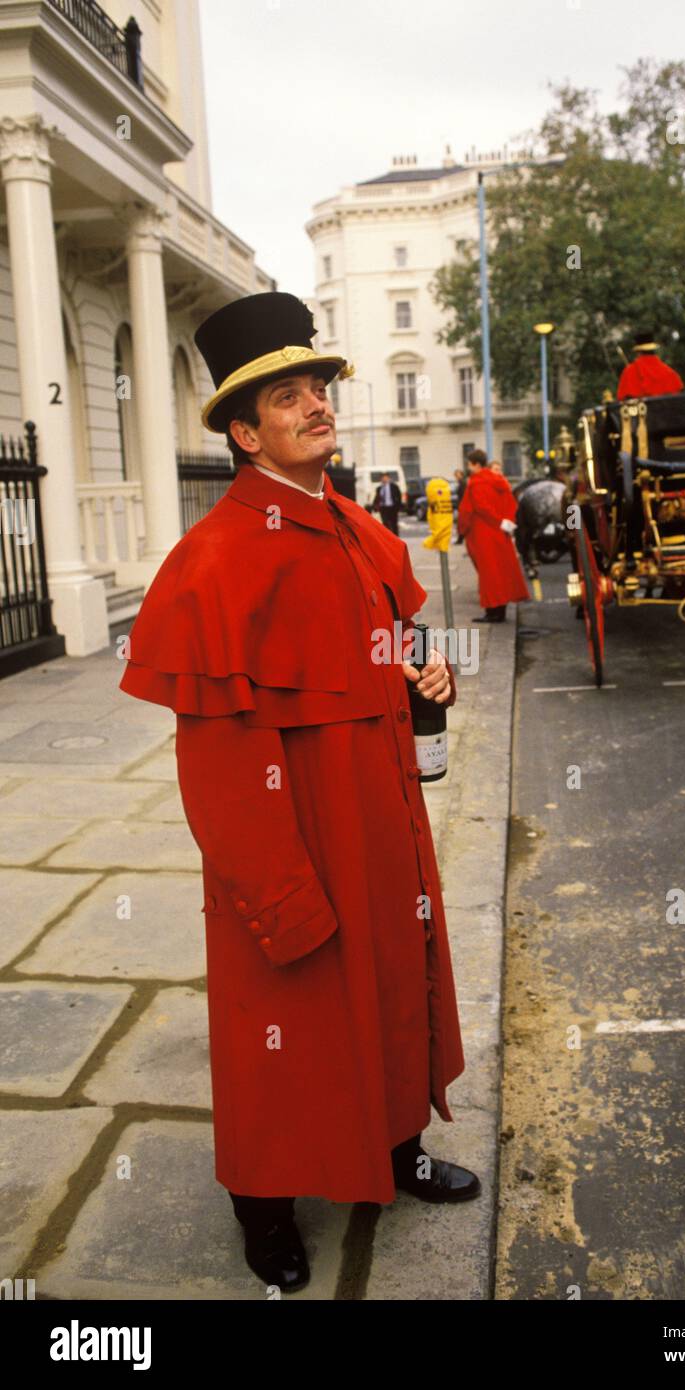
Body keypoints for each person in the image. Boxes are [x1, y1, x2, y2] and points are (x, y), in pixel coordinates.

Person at [118, 291, 478, 1294]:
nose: (317, 402)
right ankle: (265, 1210)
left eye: (318, 385)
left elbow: (390, 636)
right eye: (289, 395)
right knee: (282, 1026)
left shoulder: (358, 528)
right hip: (294, 837)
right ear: (245, 430)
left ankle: (398, 1153)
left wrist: (421, 669)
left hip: (383, 821)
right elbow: (223, 770)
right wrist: (278, 893)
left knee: (397, 984)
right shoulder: (213, 563)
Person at [457, 449, 530, 622]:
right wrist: (506, 522)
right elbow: (511, 503)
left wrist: (463, 529)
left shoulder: (476, 483)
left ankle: (493, 612)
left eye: (469, 464)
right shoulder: (499, 481)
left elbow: (474, 509)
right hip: (500, 532)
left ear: (476, 464)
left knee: (488, 574)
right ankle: (500, 610)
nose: (468, 467)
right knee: (500, 572)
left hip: (483, 533)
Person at [616, 332, 684, 400]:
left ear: (638, 352)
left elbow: (624, 400)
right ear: (653, 350)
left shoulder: (630, 371)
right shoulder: (669, 372)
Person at [453, 467, 467, 544]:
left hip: (462, 505)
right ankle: (460, 538)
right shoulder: (461, 482)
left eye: (457, 475)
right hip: (461, 504)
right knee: (460, 523)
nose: (456, 477)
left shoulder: (462, 483)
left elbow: (463, 495)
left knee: (461, 523)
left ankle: (460, 539)